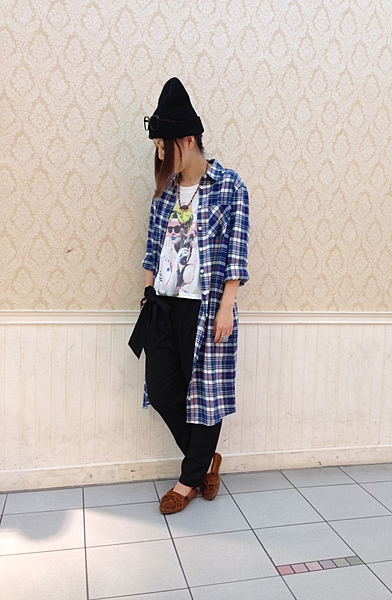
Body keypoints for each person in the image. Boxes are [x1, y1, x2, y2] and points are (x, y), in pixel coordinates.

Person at [129, 77, 250, 514]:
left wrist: (226, 307)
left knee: (206, 395)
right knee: (163, 390)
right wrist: (147, 297)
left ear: (188, 140)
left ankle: (187, 481)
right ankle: (204, 463)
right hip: (162, 305)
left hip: (206, 308)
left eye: (164, 147)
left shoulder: (230, 186)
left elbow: (236, 251)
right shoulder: (164, 192)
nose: (161, 156)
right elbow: (152, 249)